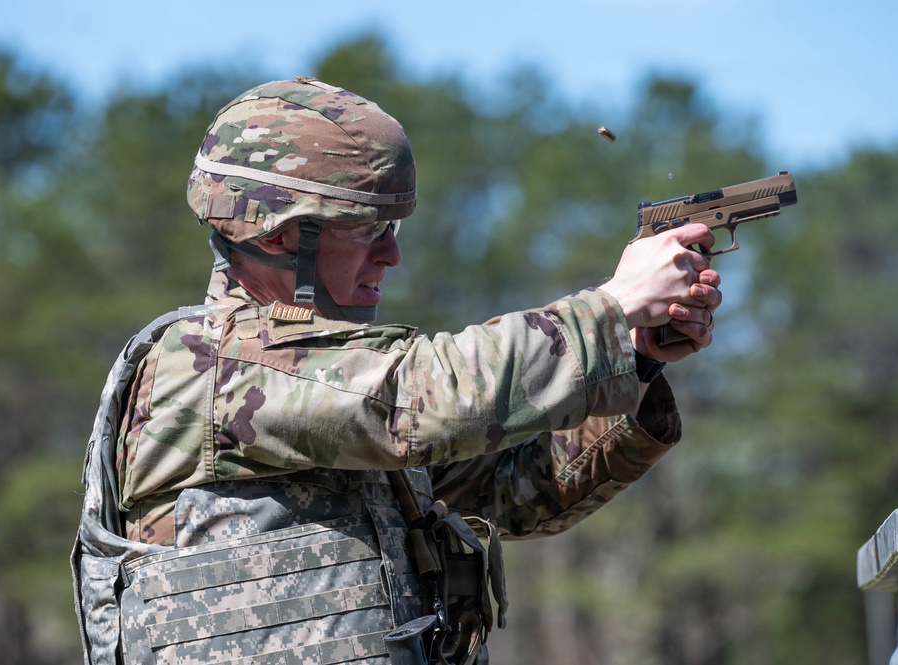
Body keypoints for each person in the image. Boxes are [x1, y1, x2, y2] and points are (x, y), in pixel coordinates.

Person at [72, 76, 721, 665]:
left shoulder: (331, 382)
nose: (393, 254)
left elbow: (518, 491)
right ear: (277, 237)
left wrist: (632, 352)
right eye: (368, 227)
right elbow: (422, 399)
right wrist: (608, 309)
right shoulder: (205, 364)